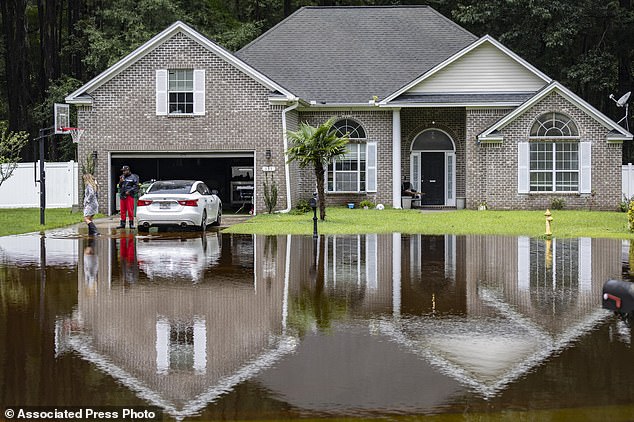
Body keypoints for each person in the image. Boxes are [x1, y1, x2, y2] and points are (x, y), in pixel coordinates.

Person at [118, 165, 139, 229]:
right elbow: (120, 186)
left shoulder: (134, 177)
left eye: (124, 171)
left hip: (129, 196)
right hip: (122, 195)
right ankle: (122, 224)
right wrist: (120, 182)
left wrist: (129, 191)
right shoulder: (122, 176)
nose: (123, 172)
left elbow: (136, 186)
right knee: (122, 211)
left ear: (128, 170)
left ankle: (131, 224)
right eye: (123, 171)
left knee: (130, 210)